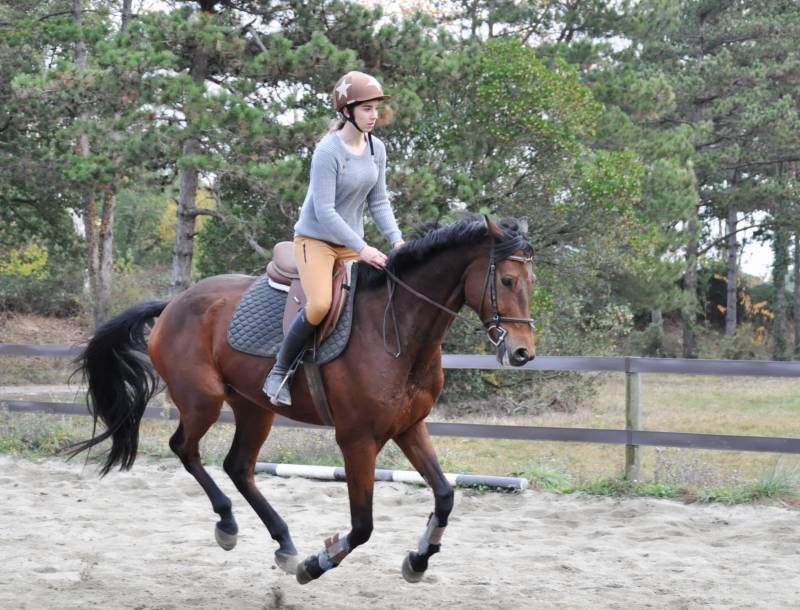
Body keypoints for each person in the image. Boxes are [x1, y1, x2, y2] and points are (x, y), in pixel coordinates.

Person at [264, 71, 405, 406]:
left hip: (351, 243)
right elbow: (325, 211)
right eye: (367, 109)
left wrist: (397, 241)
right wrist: (363, 248)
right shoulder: (327, 152)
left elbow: (379, 201)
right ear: (347, 111)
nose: (374, 115)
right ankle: (279, 372)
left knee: (373, 302)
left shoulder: (377, 148)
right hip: (316, 241)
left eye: (376, 109)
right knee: (320, 305)